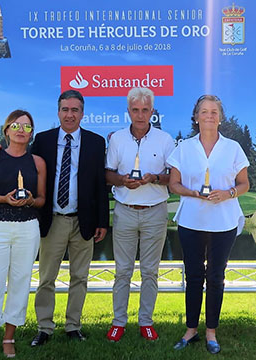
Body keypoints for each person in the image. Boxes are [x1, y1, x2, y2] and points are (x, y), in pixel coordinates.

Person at [167, 95, 250, 355]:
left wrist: (229, 194)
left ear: (221, 118)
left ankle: (211, 332)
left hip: (223, 221)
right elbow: (173, 184)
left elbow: (244, 184)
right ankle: (191, 329)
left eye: (214, 112)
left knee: (216, 277)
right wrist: (192, 193)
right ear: (196, 117)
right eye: (204, 111)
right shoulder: (183, 148)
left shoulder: (233, 147)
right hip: (191, 220)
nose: (209, 116)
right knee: (193, 276)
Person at [30, 90, 109, 346]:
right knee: (46, 278)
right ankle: (44, 327)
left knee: (80, 278)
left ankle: (73, 326)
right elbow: (24, 167)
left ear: (82, 113)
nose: (70, 115)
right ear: (58, 112)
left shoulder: (96, 143)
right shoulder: (42, 141)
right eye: (65, 109)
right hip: (51, 220)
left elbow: (100, 185)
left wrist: (102, 222)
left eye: (75, 110)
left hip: (83, 222)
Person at [0, 110, 46, 359]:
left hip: (27, 228)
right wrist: (4, 199)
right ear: (6, 130)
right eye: (16, 126)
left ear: (31, 133)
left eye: (27, 127)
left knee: (20, 283)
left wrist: (29, 202)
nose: (21, 131)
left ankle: (9, 337)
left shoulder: (37, 162)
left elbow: (41, 200)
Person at [104, 87, 175, 342]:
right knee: (122, 270)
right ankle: (118, 322)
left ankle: (146, 321)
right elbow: (108, 174)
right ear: (128, 111)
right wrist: (122, 180)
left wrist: (154, 178)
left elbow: (173, 178)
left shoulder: (165, 139)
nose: (140, 115)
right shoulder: (117, 139)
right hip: (124, 211)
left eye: (145, 110)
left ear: (152, 112)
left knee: (150, 272)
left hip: (155, 212)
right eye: (135, 110)